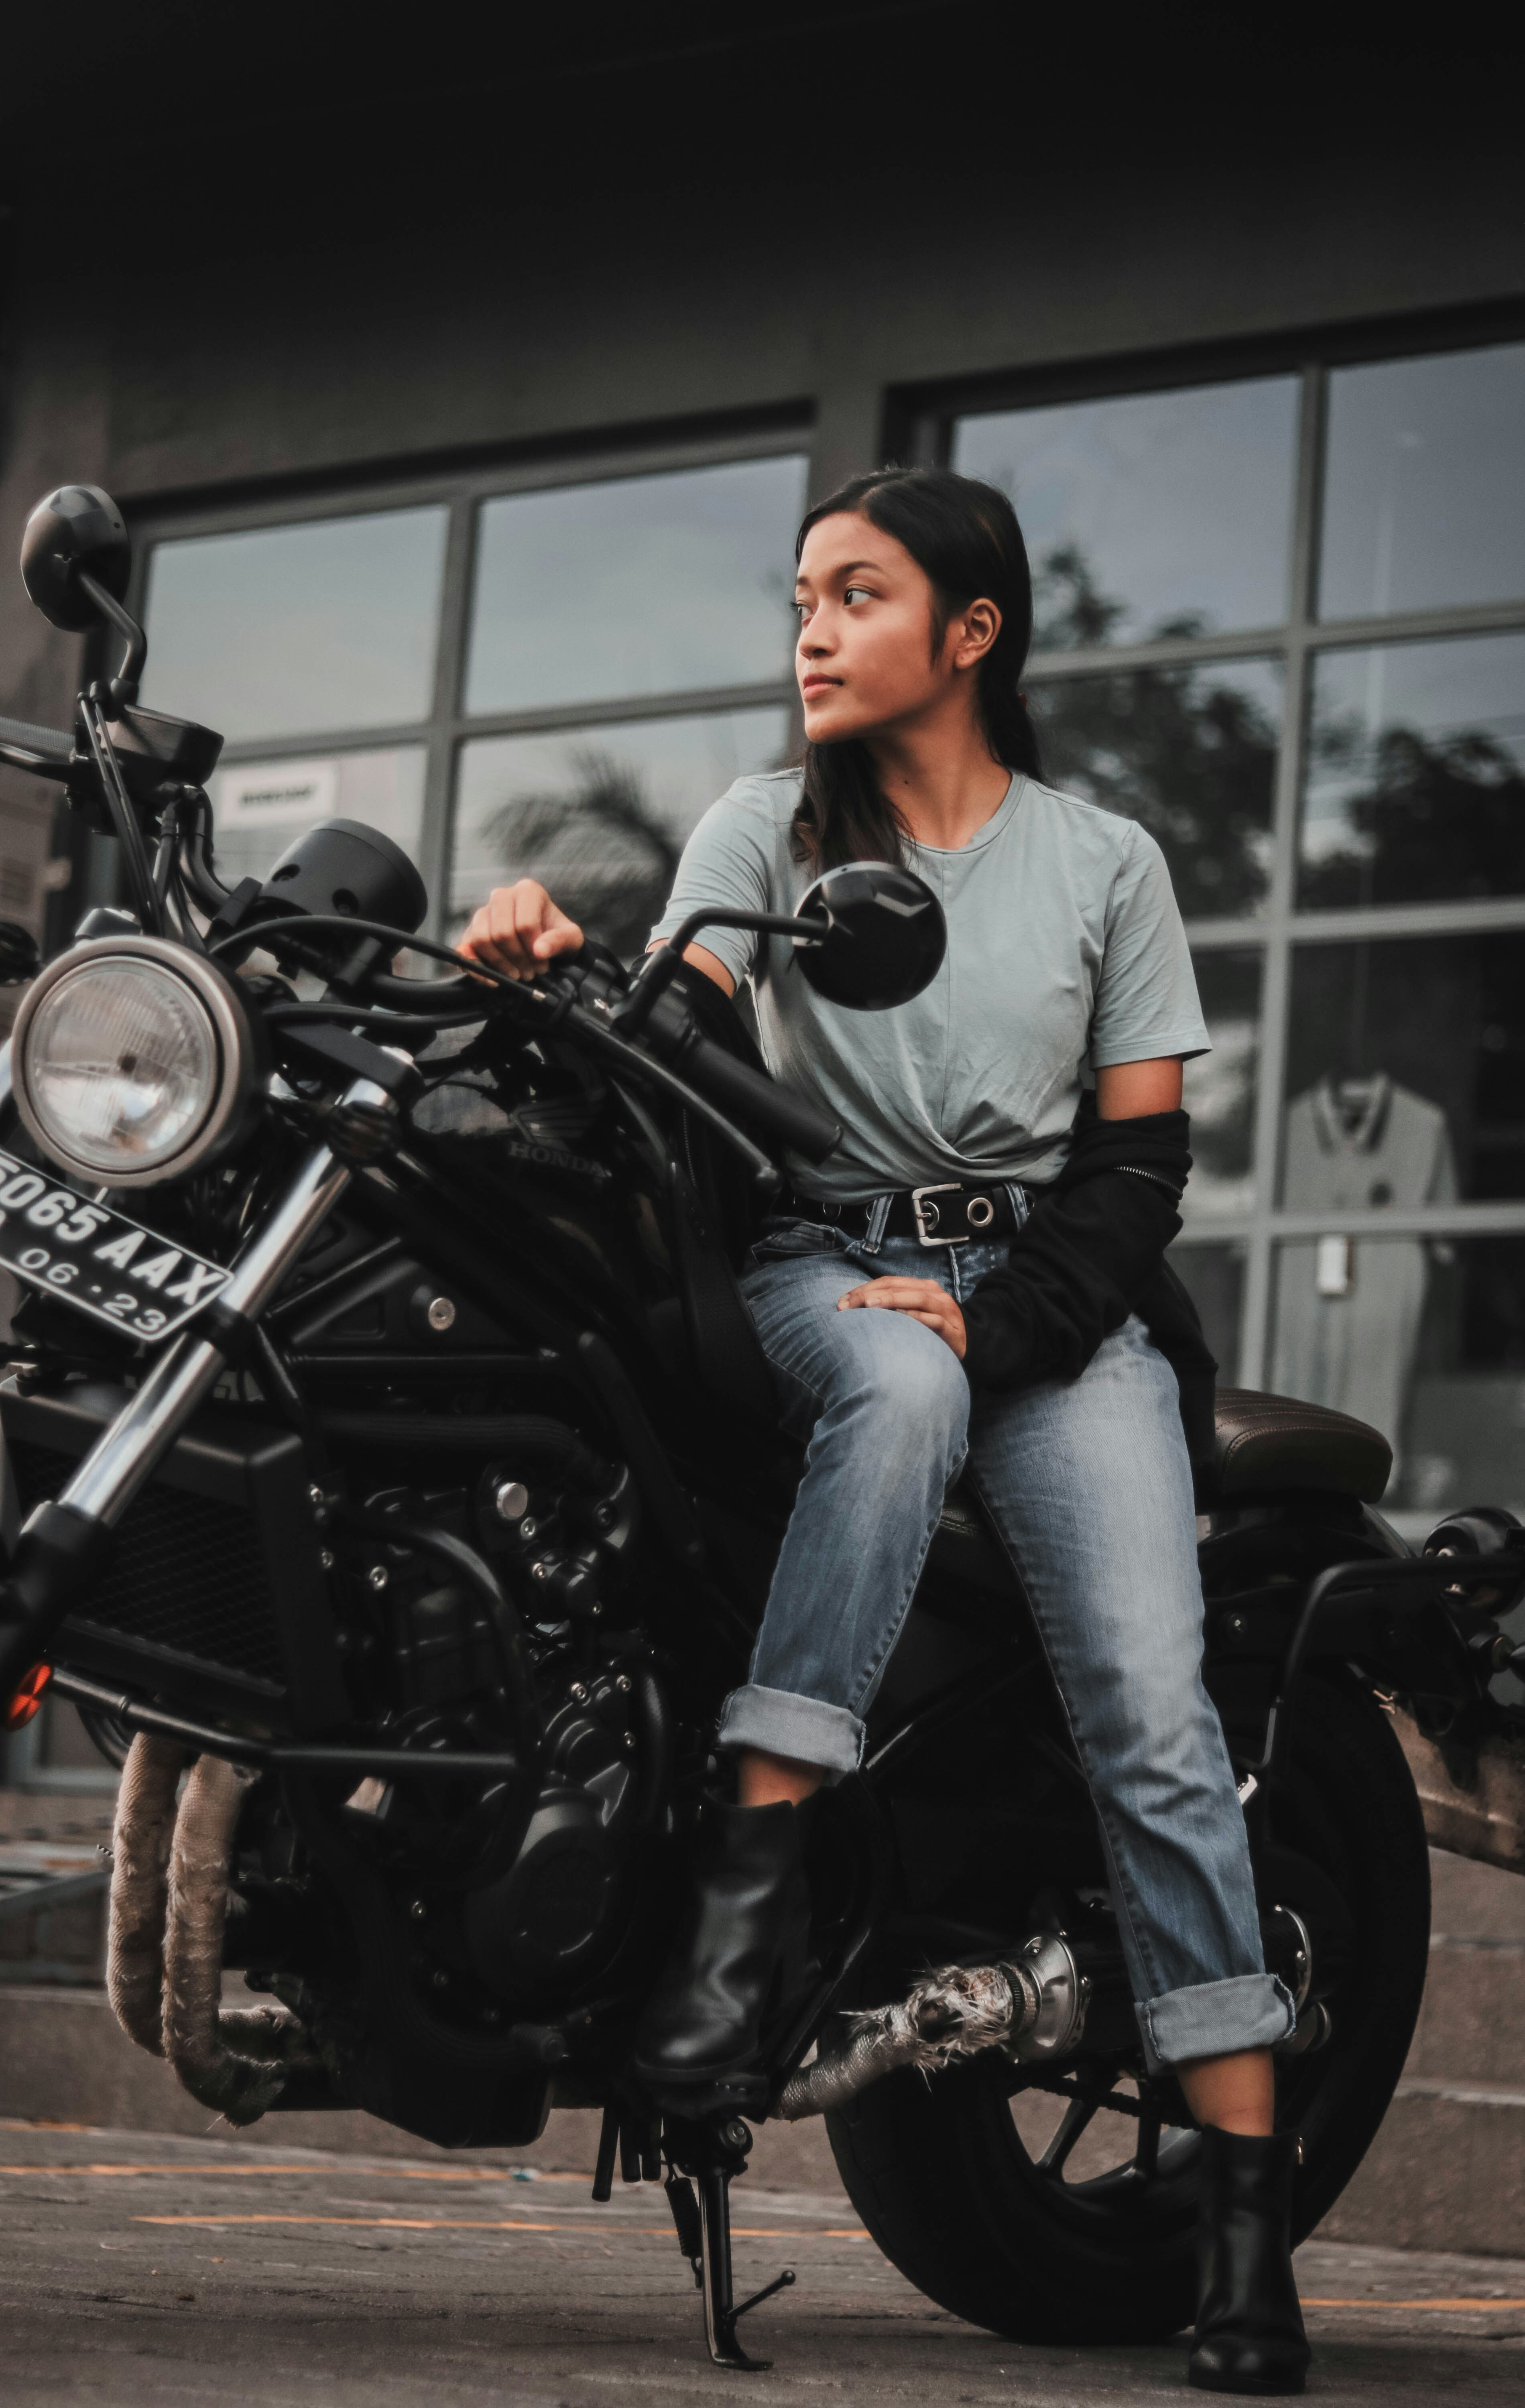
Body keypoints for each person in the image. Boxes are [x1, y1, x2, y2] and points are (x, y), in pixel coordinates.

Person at [460, 466, 1309, 2396]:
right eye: (799, 600)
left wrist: (1000, 1317)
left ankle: (1244, 2225)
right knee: (899, 1374)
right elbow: (675, 1046)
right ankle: (744, 1903)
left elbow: (1136, 1164)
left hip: (1053, 1312)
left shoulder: (1103, 861)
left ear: (972, 632)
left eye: (856, 594)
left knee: (1153, 1715)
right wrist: (556, 967)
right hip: (824, 1272)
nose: (814, 632)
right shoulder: (763, 827)